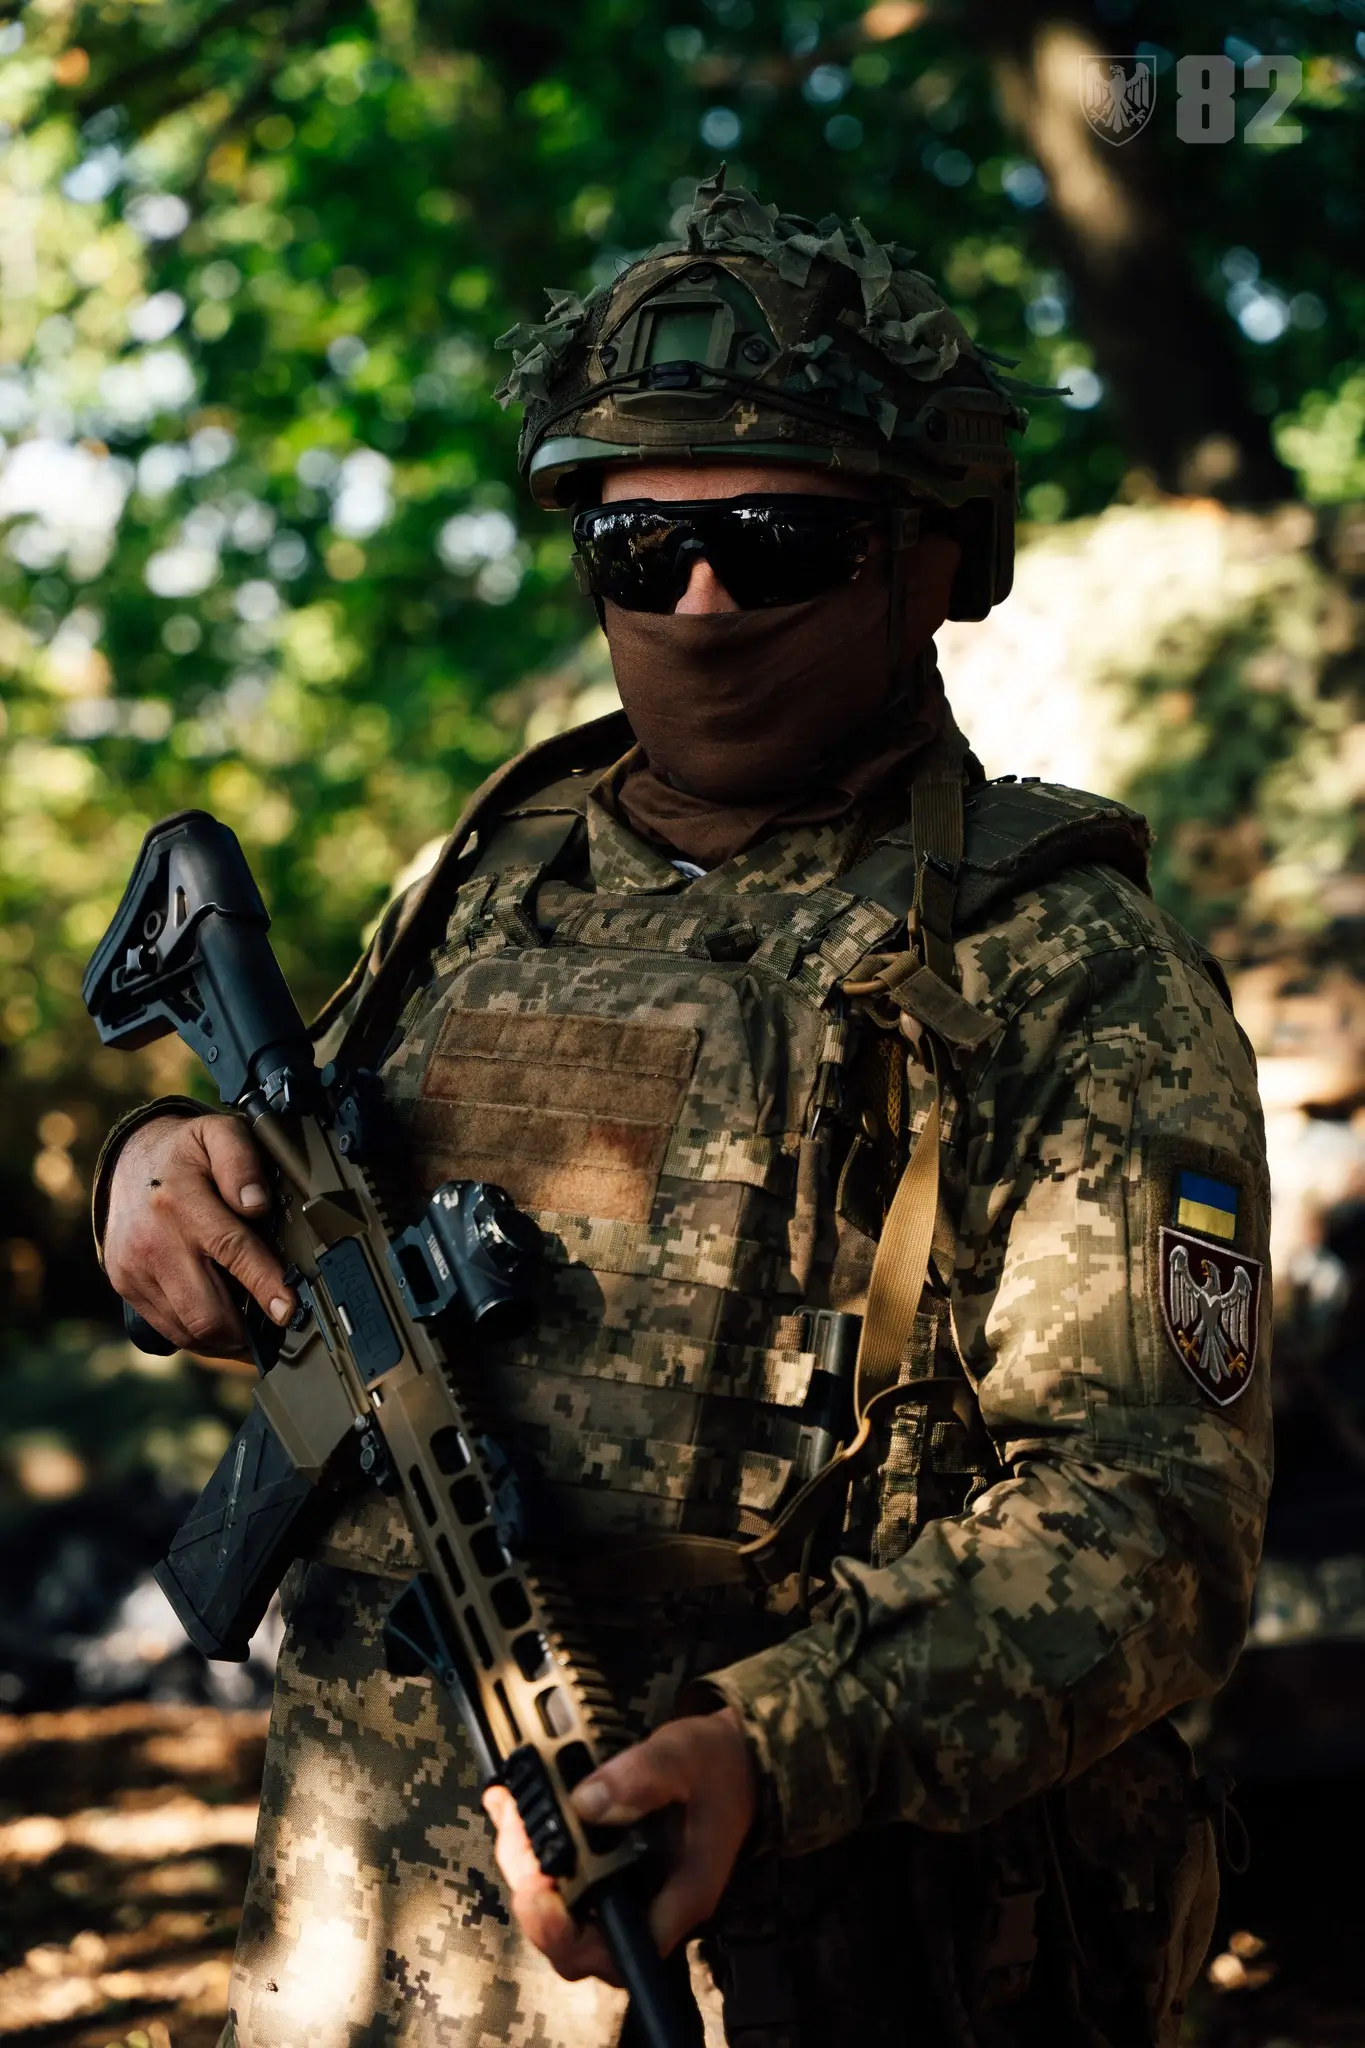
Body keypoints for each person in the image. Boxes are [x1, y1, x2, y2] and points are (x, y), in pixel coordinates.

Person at [94, 171, 1272, 2048]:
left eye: (774, 541)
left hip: (818, 1955)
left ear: (927, 560)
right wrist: (151, 1173)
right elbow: (283, 1188)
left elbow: (1152, 1529)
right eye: (641, 550)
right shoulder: (486, 884)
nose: (701, 599)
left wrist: (776, 1748)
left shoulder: (1062, 964)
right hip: (369, 1950)